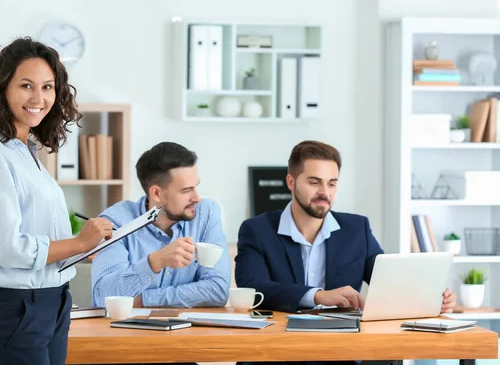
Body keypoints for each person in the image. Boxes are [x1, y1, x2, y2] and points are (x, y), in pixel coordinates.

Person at [0, 37, 114, 365]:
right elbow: (8, 248)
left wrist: (87, 245)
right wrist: (77, 243)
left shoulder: (26, 152)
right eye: (26, 85)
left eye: (47, 87)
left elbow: (42, 238)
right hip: (17, 308)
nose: (38, 98)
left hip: (53, 302)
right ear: (2, 88)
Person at [235, 140, 456, 365]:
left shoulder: (356, 229)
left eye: (332, 184)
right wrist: (318, 295)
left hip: (341, 352)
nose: (324, 192)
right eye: (314, 182)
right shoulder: (257, 230)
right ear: (291, 182)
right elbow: (252, 288)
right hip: (277, 352)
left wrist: (429, 298)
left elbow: (388, 282)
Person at [92, 142, 230, 308]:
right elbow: (103, 297)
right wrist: (154, 262)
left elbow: (218, 291)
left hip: (190, 330)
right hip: (128, 331)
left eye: (196, 187)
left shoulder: (206, 213)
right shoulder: (116, 222)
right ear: (156, 193)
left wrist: (144, 299)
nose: (197, 198)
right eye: (186, 190)